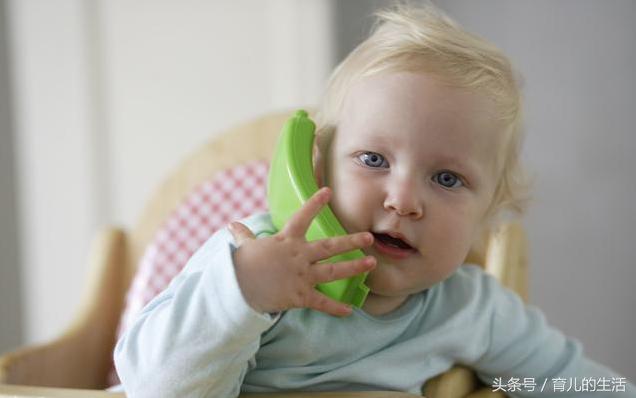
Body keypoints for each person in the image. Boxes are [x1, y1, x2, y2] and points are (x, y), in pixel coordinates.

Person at [113, 3, 634, 397]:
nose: (404, 200)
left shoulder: (471, 309)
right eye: (374, 160)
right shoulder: (255, 262)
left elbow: (563, 382)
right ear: (315, 166)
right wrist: (243, 295)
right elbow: (154, 386)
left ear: (488, 214)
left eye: (448, 179)